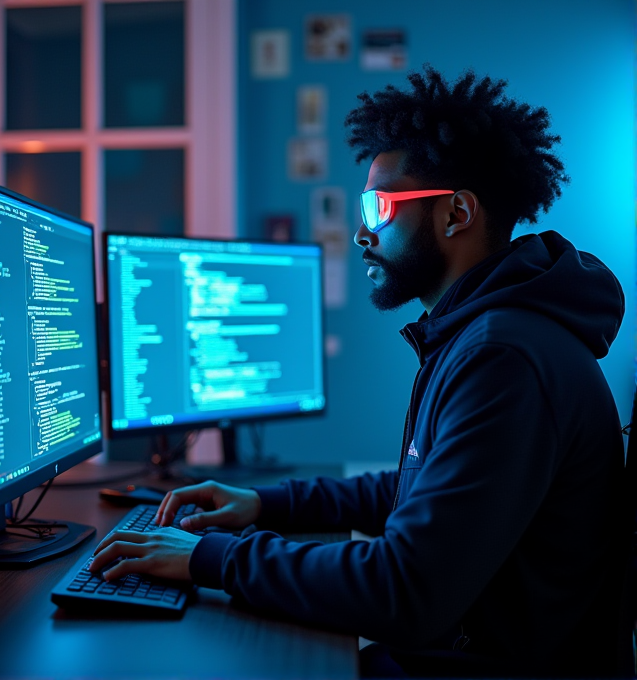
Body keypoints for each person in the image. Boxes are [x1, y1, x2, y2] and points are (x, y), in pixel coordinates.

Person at [90, 66, 632, 678]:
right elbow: (421, 493)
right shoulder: (487, 334)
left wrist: (209, 558)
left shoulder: (503, 356)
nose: (360, 231)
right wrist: (263, 504)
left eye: (378, 205)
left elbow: (405, 593)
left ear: (456, 213)